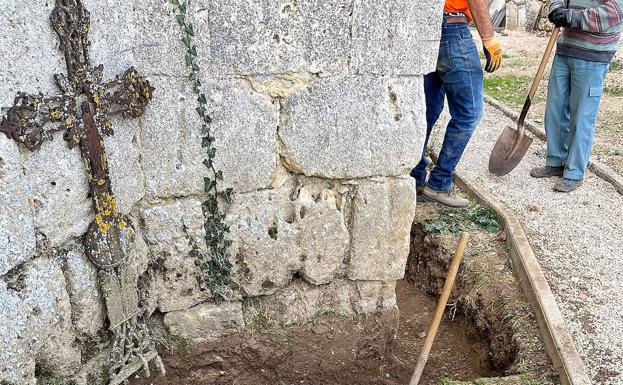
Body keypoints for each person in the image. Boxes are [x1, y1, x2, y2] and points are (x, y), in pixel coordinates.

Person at [411, 0, 502, 208]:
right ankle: (439, 183)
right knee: (470, 112)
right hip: (453, 29)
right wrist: (489, 38)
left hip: (427, 28)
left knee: (427, 110)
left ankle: (414, 177)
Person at [531, 0, 623, 192]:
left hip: (594, 55)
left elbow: (614, 12)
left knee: (582, 116)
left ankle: (574, 172)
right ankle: (556, 161)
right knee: (554, 110)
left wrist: (572, 17)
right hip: (565, 49)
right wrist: (556, 8)